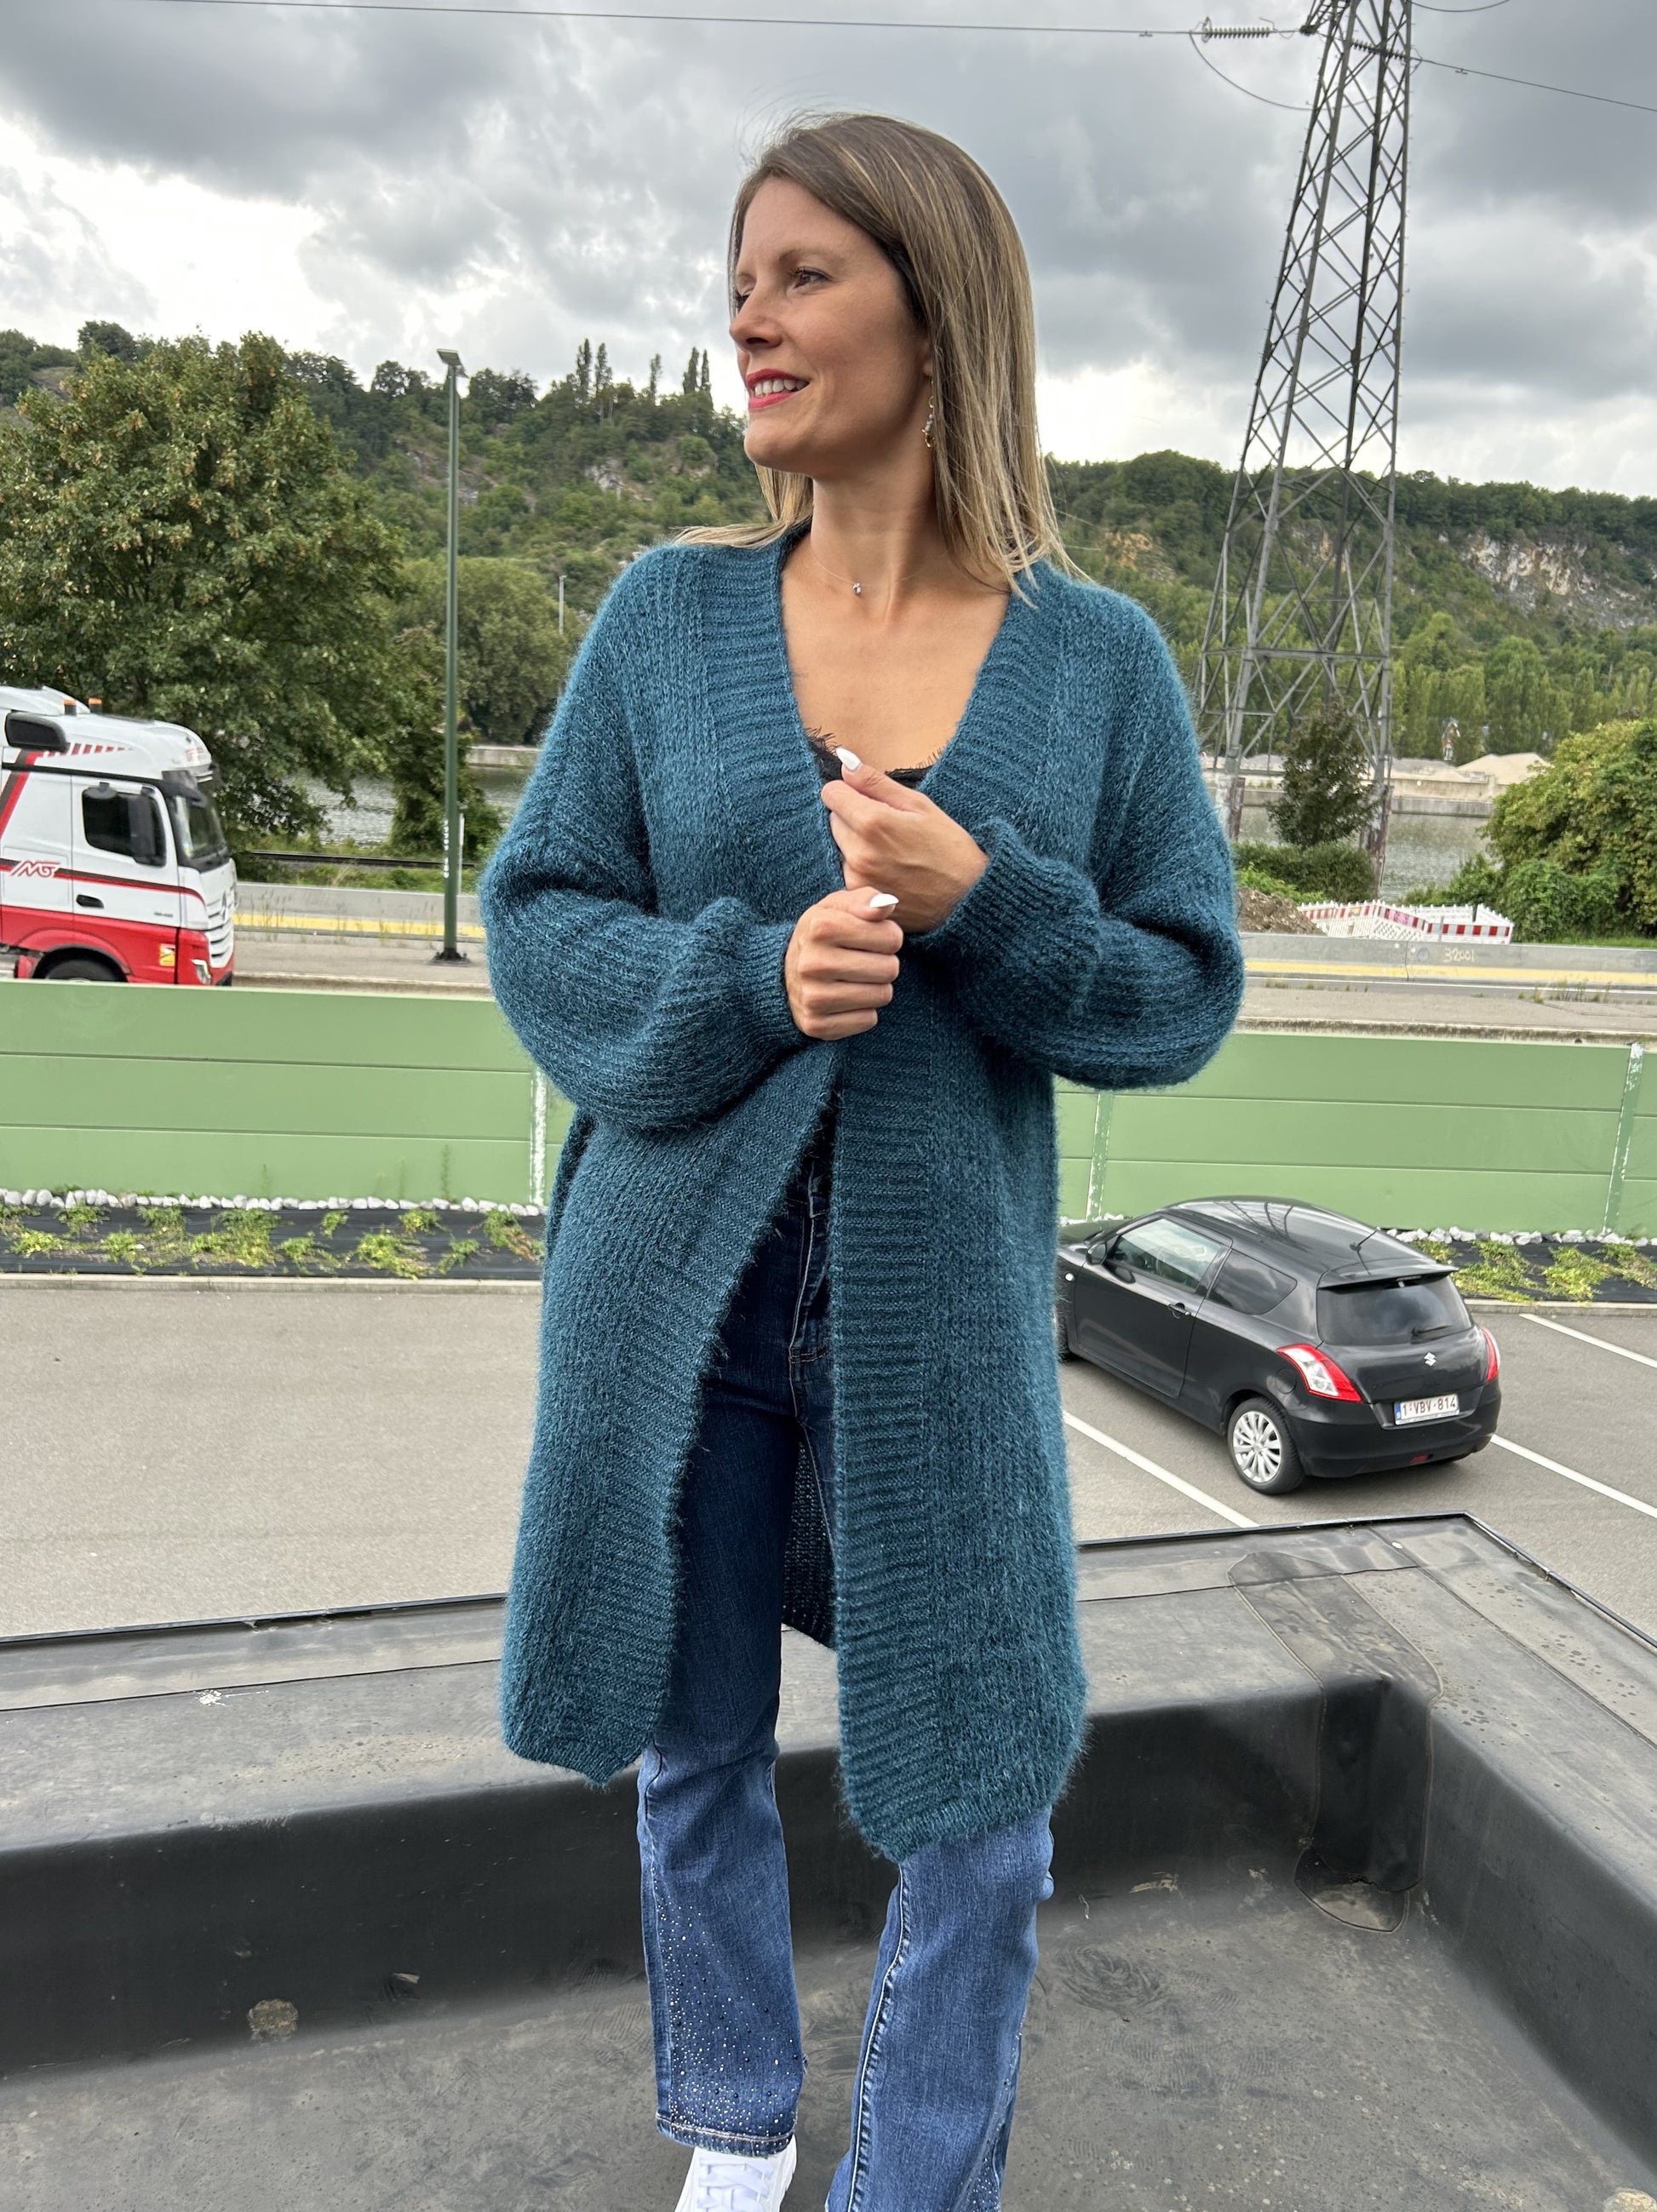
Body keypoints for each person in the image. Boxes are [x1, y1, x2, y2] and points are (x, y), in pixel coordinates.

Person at [480, 111, 1244, 2212]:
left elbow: (1177, 991)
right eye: (740, 281)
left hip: (940, 1323)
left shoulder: (1096, 663)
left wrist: (986, 903)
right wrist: (746, 979)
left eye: (804, 274)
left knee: (984, 1792)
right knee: (696, 1742)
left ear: (938, 306)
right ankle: (734, 2136)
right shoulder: (666, 618)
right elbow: (538, 920)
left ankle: (914, 2182)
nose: (750, 317)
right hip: (679, 1305)